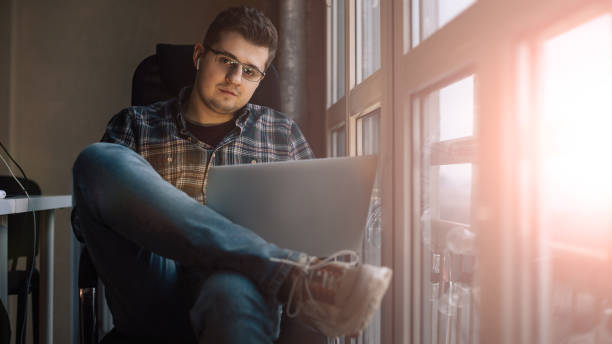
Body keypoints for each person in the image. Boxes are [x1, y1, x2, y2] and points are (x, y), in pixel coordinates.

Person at [71, 6, 391, 343]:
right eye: (226, 60)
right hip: (154, 290)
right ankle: (288, 272)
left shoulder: (282, 133)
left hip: (242, 290)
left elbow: (324, 224)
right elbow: (85, 224)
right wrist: (158, 214)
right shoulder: (135, 124)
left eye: (250, 71)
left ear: (261, 79)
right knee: (96, 159)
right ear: (199, 56)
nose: (235, 78)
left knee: (231, 289)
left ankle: (279, 273)